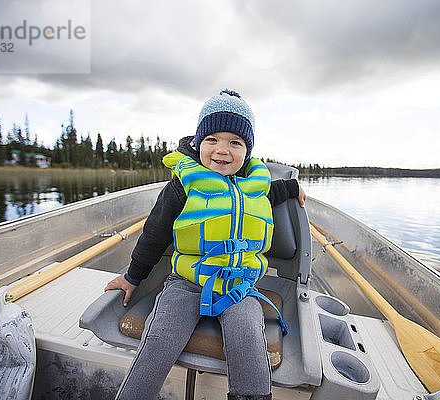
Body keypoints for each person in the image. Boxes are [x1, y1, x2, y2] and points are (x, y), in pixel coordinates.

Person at [105, 89, 307, 400]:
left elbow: (274, 192)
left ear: (247, 150)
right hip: (186, 282)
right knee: (159, 339)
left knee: (248, 339)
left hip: (238, 285)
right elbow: (154, 234)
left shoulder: (257, 185)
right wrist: (132, 278)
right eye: (212, 139)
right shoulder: (182, 185)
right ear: (198, 142)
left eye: (234, 143)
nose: (221, 150)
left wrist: (293, 187)